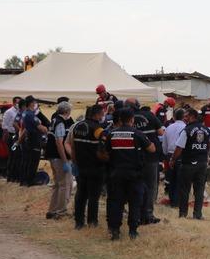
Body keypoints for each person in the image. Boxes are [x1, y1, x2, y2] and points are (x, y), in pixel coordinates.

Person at [98, 107, 154, 241]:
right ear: (132, 119)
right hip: (134, 175)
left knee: (116, 203)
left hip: (116, 174)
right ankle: (133, 231)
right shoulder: (137, 133)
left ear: (119, 119)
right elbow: (152, 149)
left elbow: (104, 153)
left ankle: (115, 230)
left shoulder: (112, 134)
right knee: (135, 202)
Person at [171, 108, 210, 220]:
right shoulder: (207, 129)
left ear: (193, 116)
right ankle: (198, 214)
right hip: (202, 164)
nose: (184, 118)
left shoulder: (186, 130)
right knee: (199, 190)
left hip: (188, 163)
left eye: (186, 116)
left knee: (184, 190)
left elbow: (179, 147)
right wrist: (208, 148)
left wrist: (173, 159)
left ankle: (183, 214)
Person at [70, 105, 105, 229]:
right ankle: (92, 222)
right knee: (93, 196)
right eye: (102, 114)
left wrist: (75, 162)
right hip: (95, 167)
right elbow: (103, 149)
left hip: (80, 165)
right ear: (96, 115)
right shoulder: (98, 129)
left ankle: (79, 222)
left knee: (81, 194)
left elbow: (73, 146)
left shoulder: (77, 126)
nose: (102, 116)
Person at [130, 99, 164, 225]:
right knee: (150, 186)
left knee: (135, 186)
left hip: (133, 158)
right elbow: (161, 132)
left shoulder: (127, 117)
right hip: (151, 157)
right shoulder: (150, 116)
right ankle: (148, 214)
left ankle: (136, 214)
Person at [45, 101, 73, 220]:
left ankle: (52, 210)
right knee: (64, 185)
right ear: (67, 111)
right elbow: (59, 143)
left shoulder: (54, 120)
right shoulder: (61, 123)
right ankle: (61, 211)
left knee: (57, 184)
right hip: (58, 157)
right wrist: (65, 160)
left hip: (52, 156)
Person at [18, 96, 47, 187]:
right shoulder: (30, 115)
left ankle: (25, 180)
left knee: (28, 161)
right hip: (34, 139)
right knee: (34, 161)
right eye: (34, 102)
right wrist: (45, 128)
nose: (35, 104)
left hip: (29, 139)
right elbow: (42, 129)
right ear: (31, 103)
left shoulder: (25, 113)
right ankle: (30, 180)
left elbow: (25, 129)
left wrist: (19, 140)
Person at [161, 108, 186, 207]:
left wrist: (166, 155)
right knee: (180, 179)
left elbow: (164, 144)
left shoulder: (169, 127)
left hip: (170, 154)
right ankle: (178, 201)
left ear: (174, 117)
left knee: (171, 178)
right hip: (181, 155)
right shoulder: (185, 127)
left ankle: (172, 200)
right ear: (184, 117)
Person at [2, 96, 22, 182]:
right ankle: (10, 175)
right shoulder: (9, 112)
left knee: (17, 156)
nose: (18, 104)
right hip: (11, 135)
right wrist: (6, 135)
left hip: (18, 135)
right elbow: (4, 125)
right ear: (14, 103)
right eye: (17, 103)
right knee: (12, 155)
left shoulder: (20, 112)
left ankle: (16, 174)